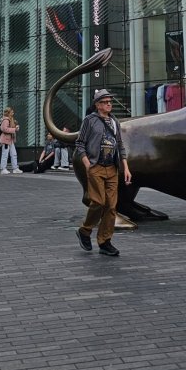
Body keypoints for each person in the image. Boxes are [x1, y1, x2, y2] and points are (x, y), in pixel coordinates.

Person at [74, 89, 131, 256]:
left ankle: (105, 241)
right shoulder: (89, 121)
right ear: (97, 105)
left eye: (110, 102)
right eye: (105, 102)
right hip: (95, 166)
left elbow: (120, 146)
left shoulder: (114, 121)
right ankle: (85, 231)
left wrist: (126, 167)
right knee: (98, 202)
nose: (109, 104)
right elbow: (80, 143)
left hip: (112, 168)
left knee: (112, 206)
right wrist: (87, 163)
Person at [0, 107, 21, 174]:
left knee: (13, 154)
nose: (13, 113)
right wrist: (14, 129)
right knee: (5, 154)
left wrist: (15, 128)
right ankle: (3, 169)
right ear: (8, 113)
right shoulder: (6, 120)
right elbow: (4, 129)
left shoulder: (10, 119)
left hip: (10, 140)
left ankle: (15, 168)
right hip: (6, 140)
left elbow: (9, 128)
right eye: (12, 112)